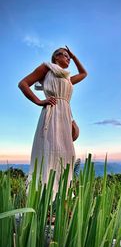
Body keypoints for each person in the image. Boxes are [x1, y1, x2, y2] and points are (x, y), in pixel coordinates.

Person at [18, 46, 87, 198]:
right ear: (56, 57)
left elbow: (84, 73)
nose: (68, 58)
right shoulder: (47, 68)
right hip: (51, 112)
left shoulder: (67, 78)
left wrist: (74, 56)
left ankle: (62, 197)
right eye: (65, 55)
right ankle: (43, 198)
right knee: (48, 152)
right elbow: (23, 84)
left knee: (67, 155)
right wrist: (38, 101)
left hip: (65, 114)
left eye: (69, 56)